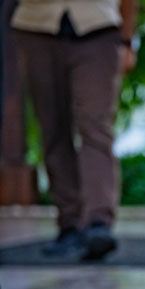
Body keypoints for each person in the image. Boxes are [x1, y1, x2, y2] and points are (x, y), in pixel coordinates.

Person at [12, 0, 137, 260]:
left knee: (95, 124)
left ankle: (98, 222)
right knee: (53, 127)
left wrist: (127, 40)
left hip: (99, 29)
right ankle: (69, 223)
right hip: (36, 28)